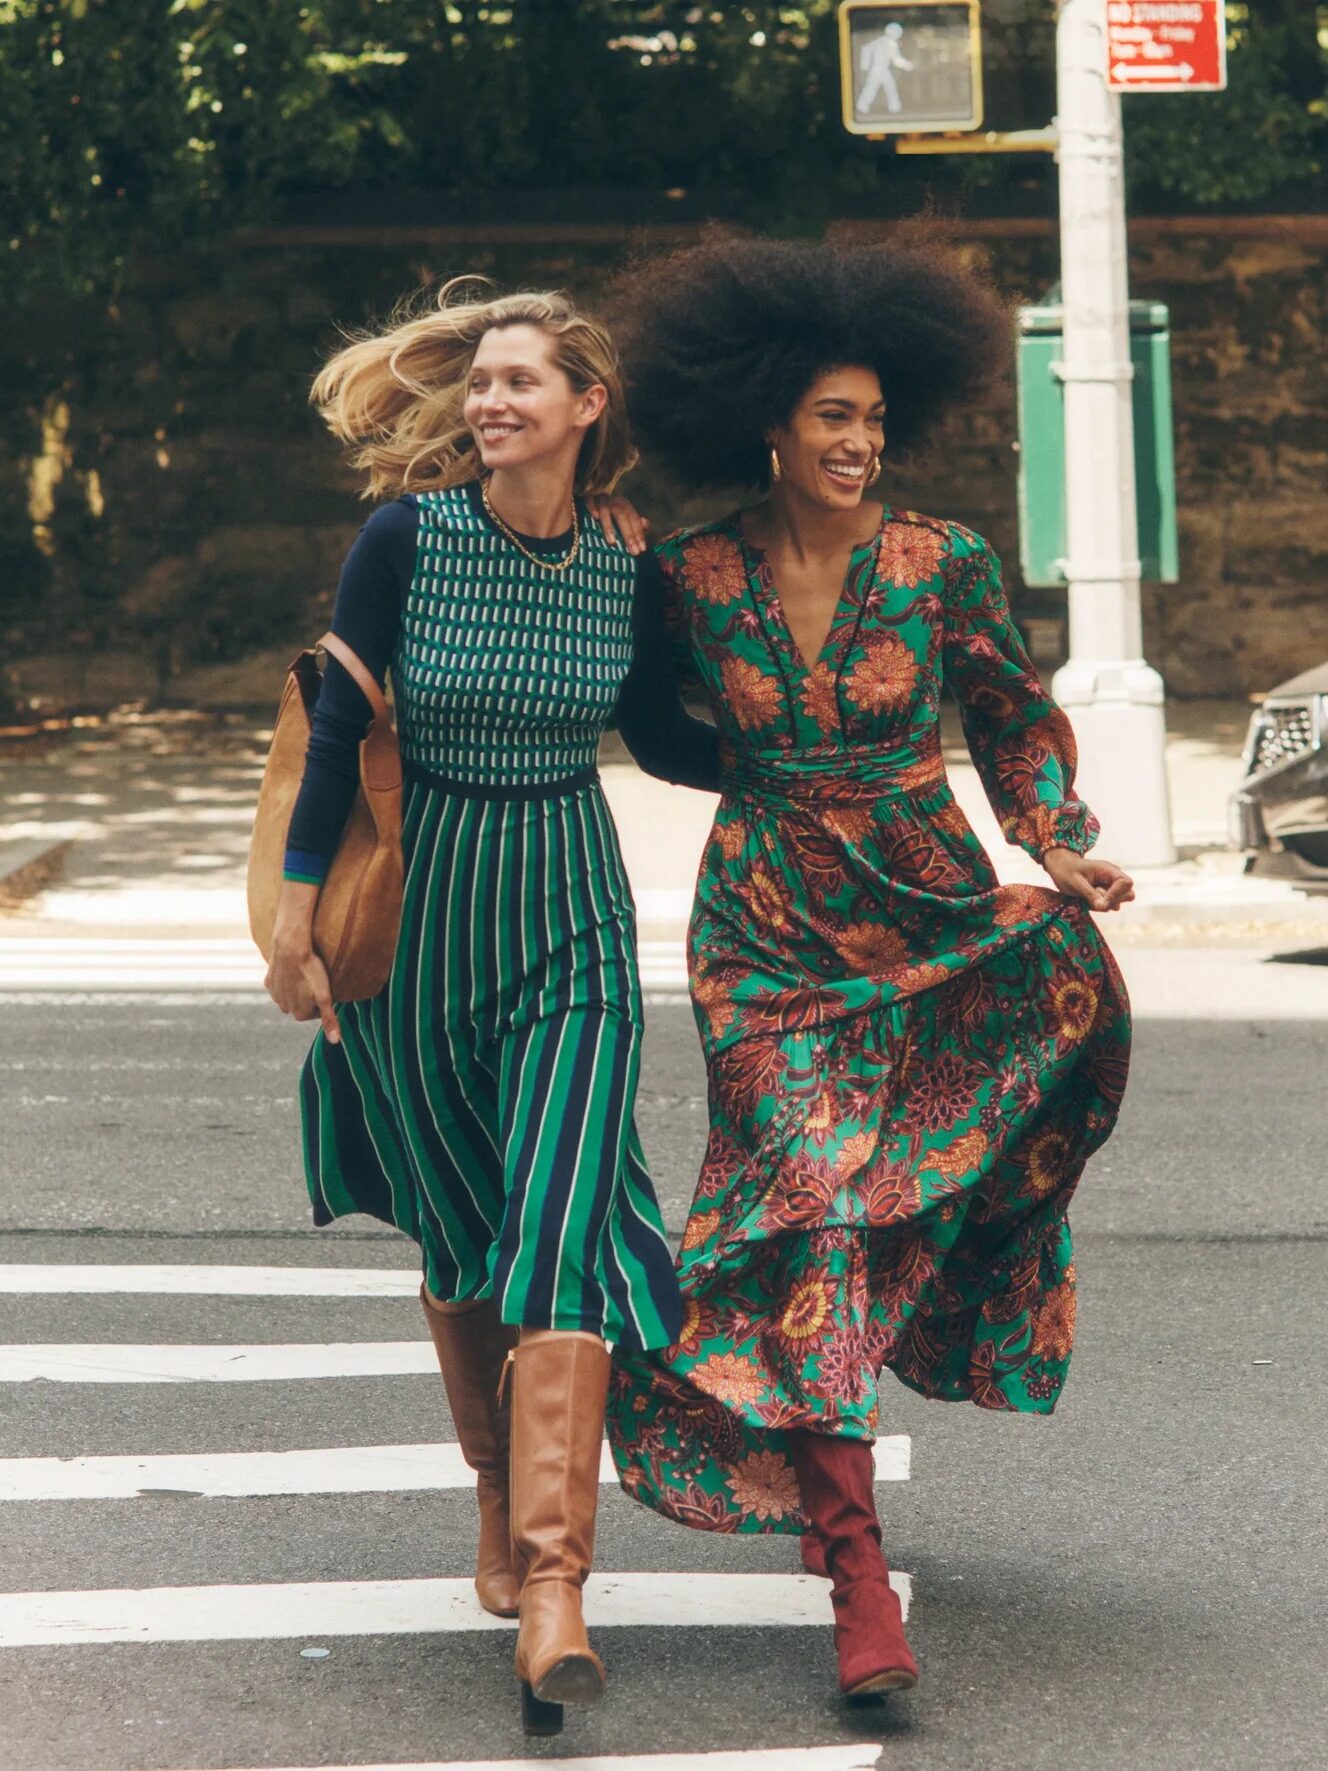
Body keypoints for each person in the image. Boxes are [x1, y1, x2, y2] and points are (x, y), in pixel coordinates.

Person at [601, 236, 1135, 1699]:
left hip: (928, 911)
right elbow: (649, 731)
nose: (858, 442)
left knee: (882, 1187)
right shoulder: (690, 572)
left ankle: (852, 1417)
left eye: (875, 421)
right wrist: (775, 785)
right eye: (834, 417)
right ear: (770, 419)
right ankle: (856, 1588)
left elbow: (1013, 716)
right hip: (763, 940)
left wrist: (1063, 840)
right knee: (813, 1210)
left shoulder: (943, 563)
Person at [263, 279, 719, 1735]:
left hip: (573, 910)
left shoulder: (627, 568)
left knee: (560, 1227)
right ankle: (491, 1488)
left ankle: (554, 1588)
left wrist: (833, 772)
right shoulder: (407, 539)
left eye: (523, 382)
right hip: (422, 917)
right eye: (481, 381)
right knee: (466, 1230)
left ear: (588, 411)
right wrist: (292, 913)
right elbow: (335, 734)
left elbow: (655, 737)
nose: (490, 400)